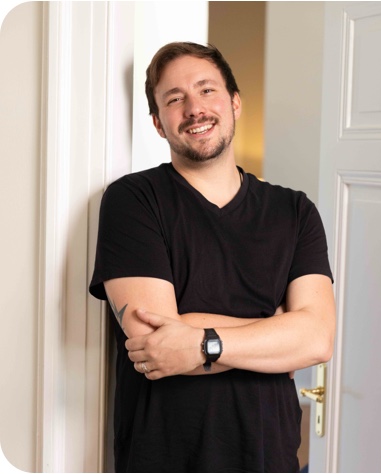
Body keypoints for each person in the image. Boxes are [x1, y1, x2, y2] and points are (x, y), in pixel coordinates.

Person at [89, 41, 335, 473]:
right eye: (174, 99)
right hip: (164, 457)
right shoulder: (132, 200)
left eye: (206, 90)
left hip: (270, 456)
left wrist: (199, 340)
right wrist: (276, 329)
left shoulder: (295, 211)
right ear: (158, 124)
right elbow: (155, 345)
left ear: (235, 103)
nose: (194, 109)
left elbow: (316, 339)